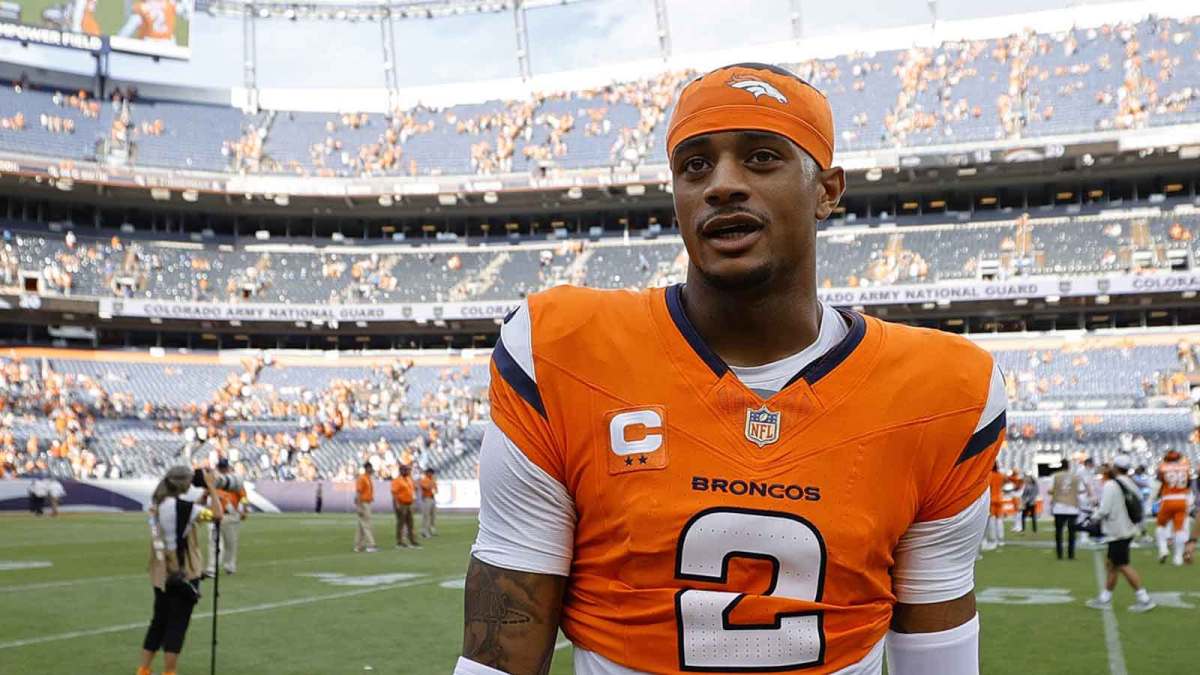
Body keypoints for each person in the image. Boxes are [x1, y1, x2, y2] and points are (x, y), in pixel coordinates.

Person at [457, 62, 1008, 675]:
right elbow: (500, 651)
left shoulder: (942, 389)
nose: (721, 184)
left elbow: (937, 650)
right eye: (694, 165)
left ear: (827, 190)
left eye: (762, 157)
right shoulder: (562, 349)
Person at [137, 466, 224, 675]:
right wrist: (211, 487)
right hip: (183, 572)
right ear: (184, 484)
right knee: (177, 626)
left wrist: (202, 497)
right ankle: (169, 672)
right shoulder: (184, 509)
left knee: (158, 623)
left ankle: (144, 669)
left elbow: (182, 516)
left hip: (161, 572)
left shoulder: (158, 504)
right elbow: (218, 515)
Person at [1086, 456, 1156, 613]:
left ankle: (1144, 598)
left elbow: (1104, 509)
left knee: (1122, 565)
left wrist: (1092, 518)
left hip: (1117, 530)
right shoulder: (1131, 483)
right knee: (1112, 564)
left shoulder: (1111, 484)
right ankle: (1105, 597)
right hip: (1128, 528)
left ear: (1116, 467)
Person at [205, 459, 247, 577]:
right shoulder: (214, 481)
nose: (222, 470)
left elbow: (243, 497)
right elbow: (205, 494)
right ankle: (212, 568)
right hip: (215, 515)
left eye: (224, 468)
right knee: (214, 543)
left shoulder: (234, 481)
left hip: (230, 514)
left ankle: (230, 566)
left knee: (230, 543)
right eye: (221, 468)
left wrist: (244, 509)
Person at [1154, 449, 1193, 566]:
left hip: (1168, 499)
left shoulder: (1162, 467)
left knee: (1161, 525)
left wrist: (1153, 499)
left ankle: (1163, 549)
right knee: (1179, 529)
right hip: (1182, 499)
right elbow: (1189, 484)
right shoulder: (1185, 467)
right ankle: (1178, 558)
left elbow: (1158, 484)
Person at [1049, 459, 1083, 560]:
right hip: (1072, 507)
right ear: (1069, 466)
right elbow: (1080, 490)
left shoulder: (1055, 476)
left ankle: (1060, 555)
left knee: (1059, 532)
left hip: (1059, 507)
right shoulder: (1075, 477)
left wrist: (1057, 492)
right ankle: (1071, 555)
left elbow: (1050, 490)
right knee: (1072, 533)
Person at [391, 465, 419, 549]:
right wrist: (396, 504)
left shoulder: (409, 479)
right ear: (401, 471)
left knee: (410, 523)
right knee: (401, 523)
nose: (408, 472)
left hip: (409, 503)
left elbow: (414, 489)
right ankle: (400, 542)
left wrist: (415, 488)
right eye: (406, 470)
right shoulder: (397, 480)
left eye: (408, 470)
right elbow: (394, 493)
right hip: (401, 503)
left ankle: (412, 540)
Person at [353, 462, 377, 553]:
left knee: (361, 526)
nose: (372, 470)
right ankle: (371, 544)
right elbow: (358, 492)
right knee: (367, 524)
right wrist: (359, 507)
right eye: (370, 468)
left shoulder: (368, 478)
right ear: (367, 468)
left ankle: (359, 546)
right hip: (363, 503)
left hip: (367, 502)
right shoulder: (362, 478)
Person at [983, 463, 1006, 550]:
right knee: (999, 520)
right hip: (1000, 499)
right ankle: (1001, 540)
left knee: (991, 521)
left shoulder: (990, 475)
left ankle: (993, 541)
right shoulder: (1000, 475)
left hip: (991, 500)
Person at [419, 467, 438, 538]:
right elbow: (426, 487)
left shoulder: (432, 480)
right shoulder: (424, 480)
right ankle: (424, 531)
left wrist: (433, 484)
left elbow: (436, 490)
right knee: (426, 516)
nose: (431, 474)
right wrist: (432, 483)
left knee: (433, 515)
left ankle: (431, 530)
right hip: (426, 498)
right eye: (430, 473)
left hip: (432, 498)